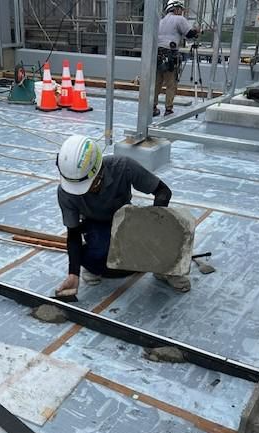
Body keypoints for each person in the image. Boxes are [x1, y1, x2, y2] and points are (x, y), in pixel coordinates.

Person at [55, 135, 189, 298]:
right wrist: (73, 273)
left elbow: (163, 192)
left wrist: (154, 226)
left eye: (89, 184)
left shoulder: (122, 166)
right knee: (99, 255)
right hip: (96, 223)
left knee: (171, 227)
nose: (85, 190)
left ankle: (164, 269)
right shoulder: (66, 192)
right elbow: (73, 234)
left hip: (126, 217)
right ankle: (93, 266)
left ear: (99, 170)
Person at [154, 0, 199, 117]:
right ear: (176, 9)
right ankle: (168, 109)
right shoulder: (179, 19)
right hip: (170, 54)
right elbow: (189, 34)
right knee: (171, 83)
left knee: (156, 82)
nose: (181, 12)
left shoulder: (160, 21)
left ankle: (152, 107)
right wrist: (197, 31)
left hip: (157, 54)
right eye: (181, 10)